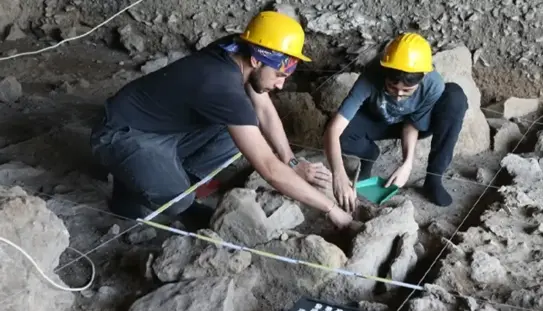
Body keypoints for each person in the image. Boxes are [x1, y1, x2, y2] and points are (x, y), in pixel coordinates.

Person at [90, 11, 354, 231]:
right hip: (121, 134)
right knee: (180, 199)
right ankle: (151, 191)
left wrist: (292, 161)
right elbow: (269, 169)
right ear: (256, 60)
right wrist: (331, 209)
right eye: (279, 74)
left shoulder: (237, 48)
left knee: (240, 130)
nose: (281, 84)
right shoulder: (221, 87)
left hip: (162, 124)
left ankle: (163, 177)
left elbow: (262, 108)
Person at [323, 32, 469, 212]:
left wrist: (407, 164)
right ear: (385, 73)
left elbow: (412, 123)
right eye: (392, 87)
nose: (399, 96)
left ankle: (433, 179)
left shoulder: (433, 84)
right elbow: (334, 128)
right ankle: (369, 155)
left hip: (413, 124)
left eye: (407, 91)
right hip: (379, 118)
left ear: (422, 77)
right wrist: (339, 174)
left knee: (455, 97)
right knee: (341, 135)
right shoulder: (372, 74)